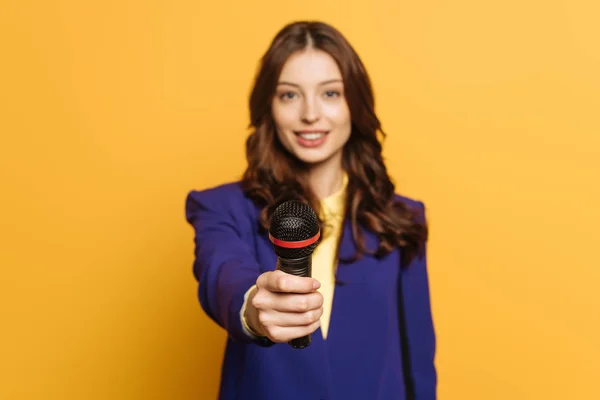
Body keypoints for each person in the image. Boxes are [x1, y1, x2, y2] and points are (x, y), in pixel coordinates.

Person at [185, 20, 436, 400]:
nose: (310, 115)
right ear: (268, 105)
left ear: (355, 103)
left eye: (330, 94)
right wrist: (253, 307)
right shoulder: (222, 207)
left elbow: (417, 361)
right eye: (289, 95)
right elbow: (221, 273)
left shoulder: (401, 219)